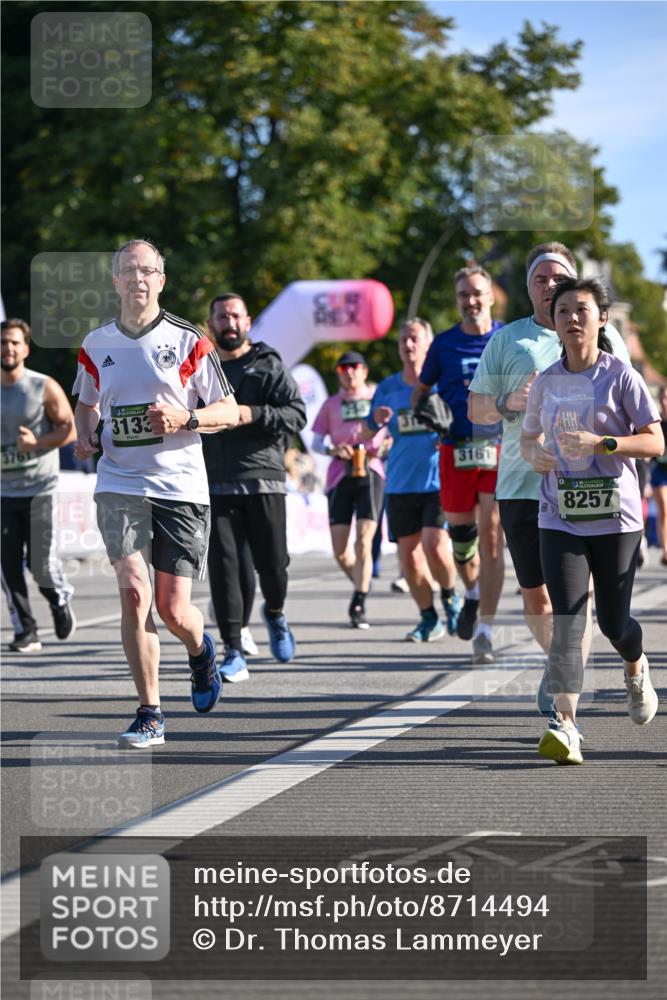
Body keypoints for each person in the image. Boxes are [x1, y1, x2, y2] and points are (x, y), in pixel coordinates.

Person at [73, 240, 239, 748]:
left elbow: (228, 411)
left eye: (147, 270)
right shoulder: (96, 342)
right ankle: (150, 712)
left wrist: (186, 418)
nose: (137, 278)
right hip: (119, 482)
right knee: (133, 592)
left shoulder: (188, 339)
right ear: (115, 281)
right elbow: (87, 402)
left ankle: (201, 650)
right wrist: (87, 432)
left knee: (172, 609)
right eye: (128, 270)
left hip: (181, 487)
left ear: (161, 280)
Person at [468, 242, 630, 706]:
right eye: (541, 279)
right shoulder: (507, 340)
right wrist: (508, 402)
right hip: (522, 484)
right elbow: (476, 410)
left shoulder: (605, 334)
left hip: (588, 482)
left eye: (559, 277)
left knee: (576, 598)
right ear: (529, 288)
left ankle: (566, 695)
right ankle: (557, 659)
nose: (550, 285)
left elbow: (628, 399)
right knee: (537, 598)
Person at [520, 277, 662, 764]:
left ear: (601, 319)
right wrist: (535, 457)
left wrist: (603, 444)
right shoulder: (545, 381)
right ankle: (566, 724)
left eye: (582, 309)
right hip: (559, 515)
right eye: (563, 311)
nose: (572, 318)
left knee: (615, 622)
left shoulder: (621, 376)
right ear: (553, 323)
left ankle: (636, 665)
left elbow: (655, 442)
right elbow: (528, 440)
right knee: (567, 623)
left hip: (616, 518)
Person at [203, 292, 306, 680]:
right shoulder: (201, 367)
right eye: (221, 318)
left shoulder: (268, 364)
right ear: (212, 324)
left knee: (273, 567)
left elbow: (297, 414)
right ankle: (233, 650)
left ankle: (275, 613)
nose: (228, 323)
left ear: (247, 322)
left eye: (234, 316)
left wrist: (249, 413)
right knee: (225, 569)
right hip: (214, 482)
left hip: (264, 479)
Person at [412, 267, 504, 663]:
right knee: (463, 543)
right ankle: (470, 592)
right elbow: (421, 390)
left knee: (493, 533)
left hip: (499, 448)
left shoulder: (506, 338)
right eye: (463, 294)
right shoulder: (444, 344)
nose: (471, 301)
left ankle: (485, 626)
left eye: (477, 293)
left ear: (491, 297)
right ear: (457, 300)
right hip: (454, 450)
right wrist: (428, 413)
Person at [368, 319, 462, 641]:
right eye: (403, 341)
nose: (409, 346)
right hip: (400, 484)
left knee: (435, 546)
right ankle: (428, 617)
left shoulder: (439, 386)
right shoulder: (388, 388)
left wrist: (446, 435)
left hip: (436, 481)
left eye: (415, 340)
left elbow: (458, 423)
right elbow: (369, 430)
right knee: (408, 556)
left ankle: (451, 597)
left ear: (428, 344)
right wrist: (376, 421)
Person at [1, 318, 77, 652]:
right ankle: (26, 631)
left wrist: (36, 444)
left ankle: (59, 600)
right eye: (3, 342)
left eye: (14, 343)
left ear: (26, 348)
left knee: (40, 565)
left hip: (39, 488)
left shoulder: (42, 386)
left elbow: (69, 431)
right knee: (6, 565)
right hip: (3, 491)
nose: (8, 348)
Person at [311, 351, 388, 628]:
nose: (349, 372)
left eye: (355, 366)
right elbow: (316, 441)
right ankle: (361, 580)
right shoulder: (331, 404)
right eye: (343, 368)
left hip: (370, 470)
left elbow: (392, 431)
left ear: (365, 371)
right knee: (342, 551)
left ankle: (359, 600)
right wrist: (333, 449)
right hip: (339, 475)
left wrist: (385, 446)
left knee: (364, 541)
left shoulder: (378, 396)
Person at [650, 385, 667, 565]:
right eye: (662, 397)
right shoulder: (656, 423)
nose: (664, 401)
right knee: (663, 507)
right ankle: (665, 550)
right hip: (660, 471)